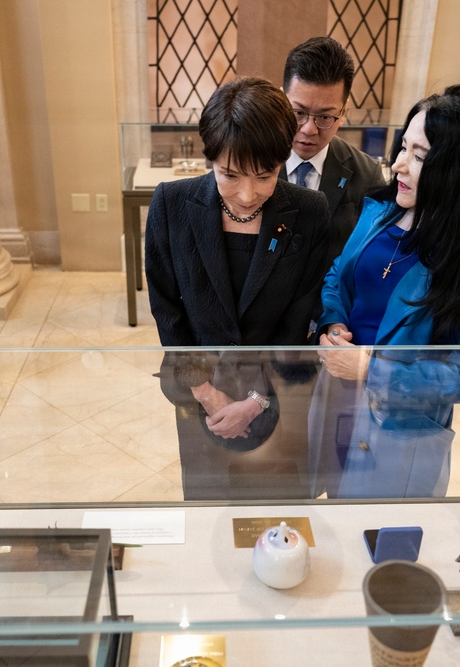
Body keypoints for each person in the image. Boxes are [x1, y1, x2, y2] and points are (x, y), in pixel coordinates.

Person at [308, 84, 460, 498]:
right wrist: (333, 321)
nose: (398, 165)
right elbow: (337, 278)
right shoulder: (380, 212)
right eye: (403, 148)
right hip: (336, 400)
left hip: (397, 433)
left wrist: (369, 370)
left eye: (419, 156)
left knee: (376, 527)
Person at [145, 76, 330, 500]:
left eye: (265, 176)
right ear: (210, 157)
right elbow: (168, 313)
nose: (248, 195)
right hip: (199, 391)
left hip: (276, 393)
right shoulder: (171, 205)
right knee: (208, 500)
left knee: (275, 504)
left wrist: (257, 400)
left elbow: (299, 316)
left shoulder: (309, 211)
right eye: (229, 175)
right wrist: (206, 393)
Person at [281, 37, 386, 267]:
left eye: (325, 117)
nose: (309, 129)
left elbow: (371, 258)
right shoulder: (254, 161)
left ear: (343, 112)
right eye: (298, 113)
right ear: (281, 101)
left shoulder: (367, 175)